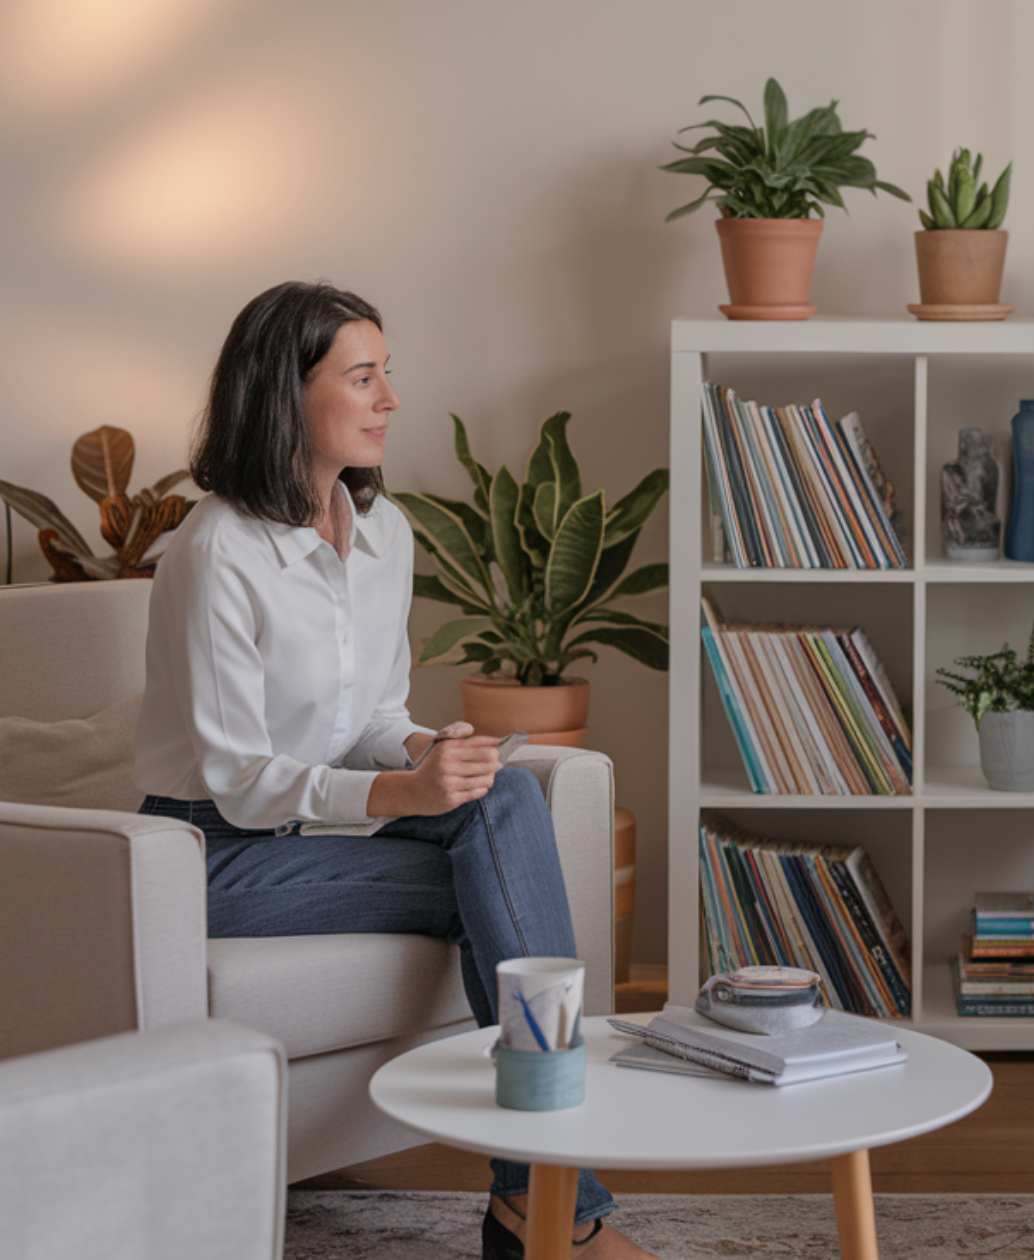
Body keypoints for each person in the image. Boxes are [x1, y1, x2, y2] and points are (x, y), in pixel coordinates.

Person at [133, 281, 654, 1260]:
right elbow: (240, 776)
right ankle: (557, 1214)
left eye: (387, 374)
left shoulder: (384, 535)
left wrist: (427, 753)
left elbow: (369, 714)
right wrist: (399, 796)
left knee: (501, 799)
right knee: (498, 874)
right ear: (286, 396)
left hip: (312, 833)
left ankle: (538, 1206)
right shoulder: (213, 554)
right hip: (205, 853)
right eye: (363, 376)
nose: (390, 399)